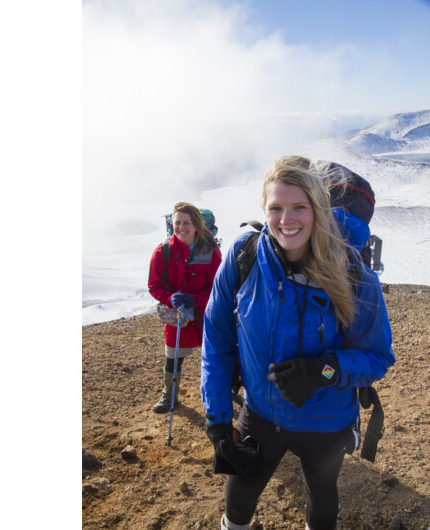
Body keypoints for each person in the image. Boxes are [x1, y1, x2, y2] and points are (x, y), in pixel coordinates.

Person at [200, 156, 395, 530]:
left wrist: (324, 370)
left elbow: (377, 356)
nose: (286, 220)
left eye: (299, 207)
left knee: (321, 495)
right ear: (264, 209)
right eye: (276, 207)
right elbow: (217, 340)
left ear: (318, 209)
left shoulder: (354, 273)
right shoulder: (245, 256)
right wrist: (218, 421)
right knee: (238, 499)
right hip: (261, 412)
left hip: (326, 421)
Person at [148, 202, 222, 414]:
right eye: (177, 222)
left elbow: (219, 288)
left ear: (197, 225)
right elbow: (154, 286)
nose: (181, 227)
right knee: (173, 355)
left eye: (186, 223)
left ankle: (220, 392)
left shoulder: (209, 251)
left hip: (207, 314)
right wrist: (170, 299)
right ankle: (169, 395)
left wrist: (195, 299)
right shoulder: (162, 252)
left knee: (215, 355)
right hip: (178, 315)